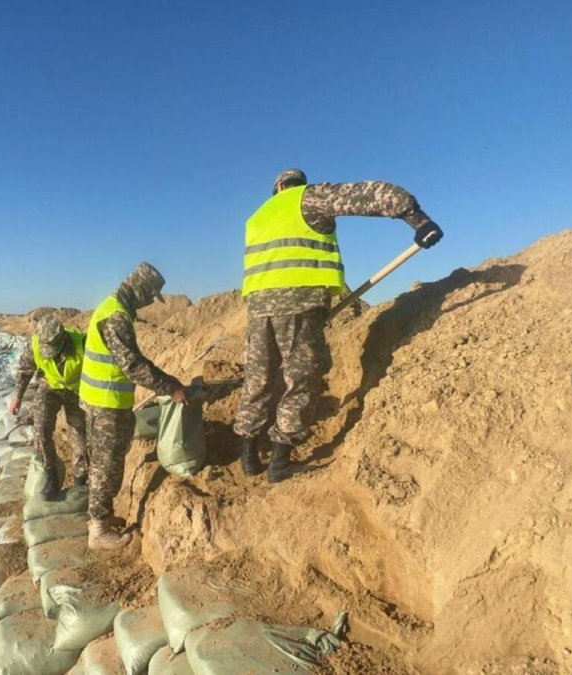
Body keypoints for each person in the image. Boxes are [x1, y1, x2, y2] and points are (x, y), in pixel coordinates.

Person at [234, 168, 443, 483]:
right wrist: (416, 217)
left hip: (258, 310)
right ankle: (279, 464)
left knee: (258, 379)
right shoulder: (307, 198)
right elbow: (367, 194)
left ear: (276, 188)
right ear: (297, 186)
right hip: (299, 305)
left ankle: (248, 458)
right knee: (301, 380)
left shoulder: (257, 216)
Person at [80, 262, 187, 549]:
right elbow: (133, 366)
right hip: (106, 403)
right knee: (106, 465)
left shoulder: (112, 307)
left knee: (103, 461)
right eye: (150, 295)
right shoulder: (116, 317)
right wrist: (172, 386)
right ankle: (98, 532)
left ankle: (99, 517)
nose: (151, 301)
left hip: (98, 399)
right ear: (140, 289)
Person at [11, 315, 88, 500]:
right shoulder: (35, 344)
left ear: (63, 339)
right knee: (41, 431)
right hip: (50, 387)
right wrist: (17, 398)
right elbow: (24, 371)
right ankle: (50, 473)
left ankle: (81, 478)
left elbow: (97, 370)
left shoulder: (82, 343)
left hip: (77, 391)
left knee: (80, 436)